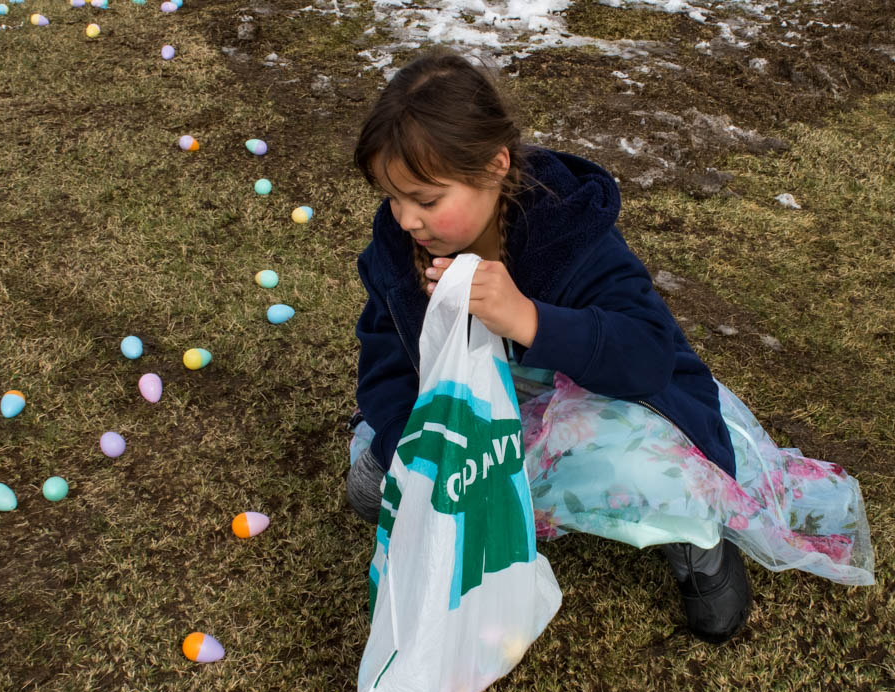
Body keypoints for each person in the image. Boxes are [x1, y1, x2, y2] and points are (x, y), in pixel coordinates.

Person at [345, 50, 874, 644]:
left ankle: (695, 541)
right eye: (394, 198)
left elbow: (646, 355)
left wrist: (527, 318)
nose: (407, 219)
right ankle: (495, 496)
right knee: (372, 488)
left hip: (597, 400)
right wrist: (410, 453)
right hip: (486, 411)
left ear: (494, 167)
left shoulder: (568, 230)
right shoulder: (399, 250)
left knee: (652, 472)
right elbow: (386, 365)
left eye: (427, 200)